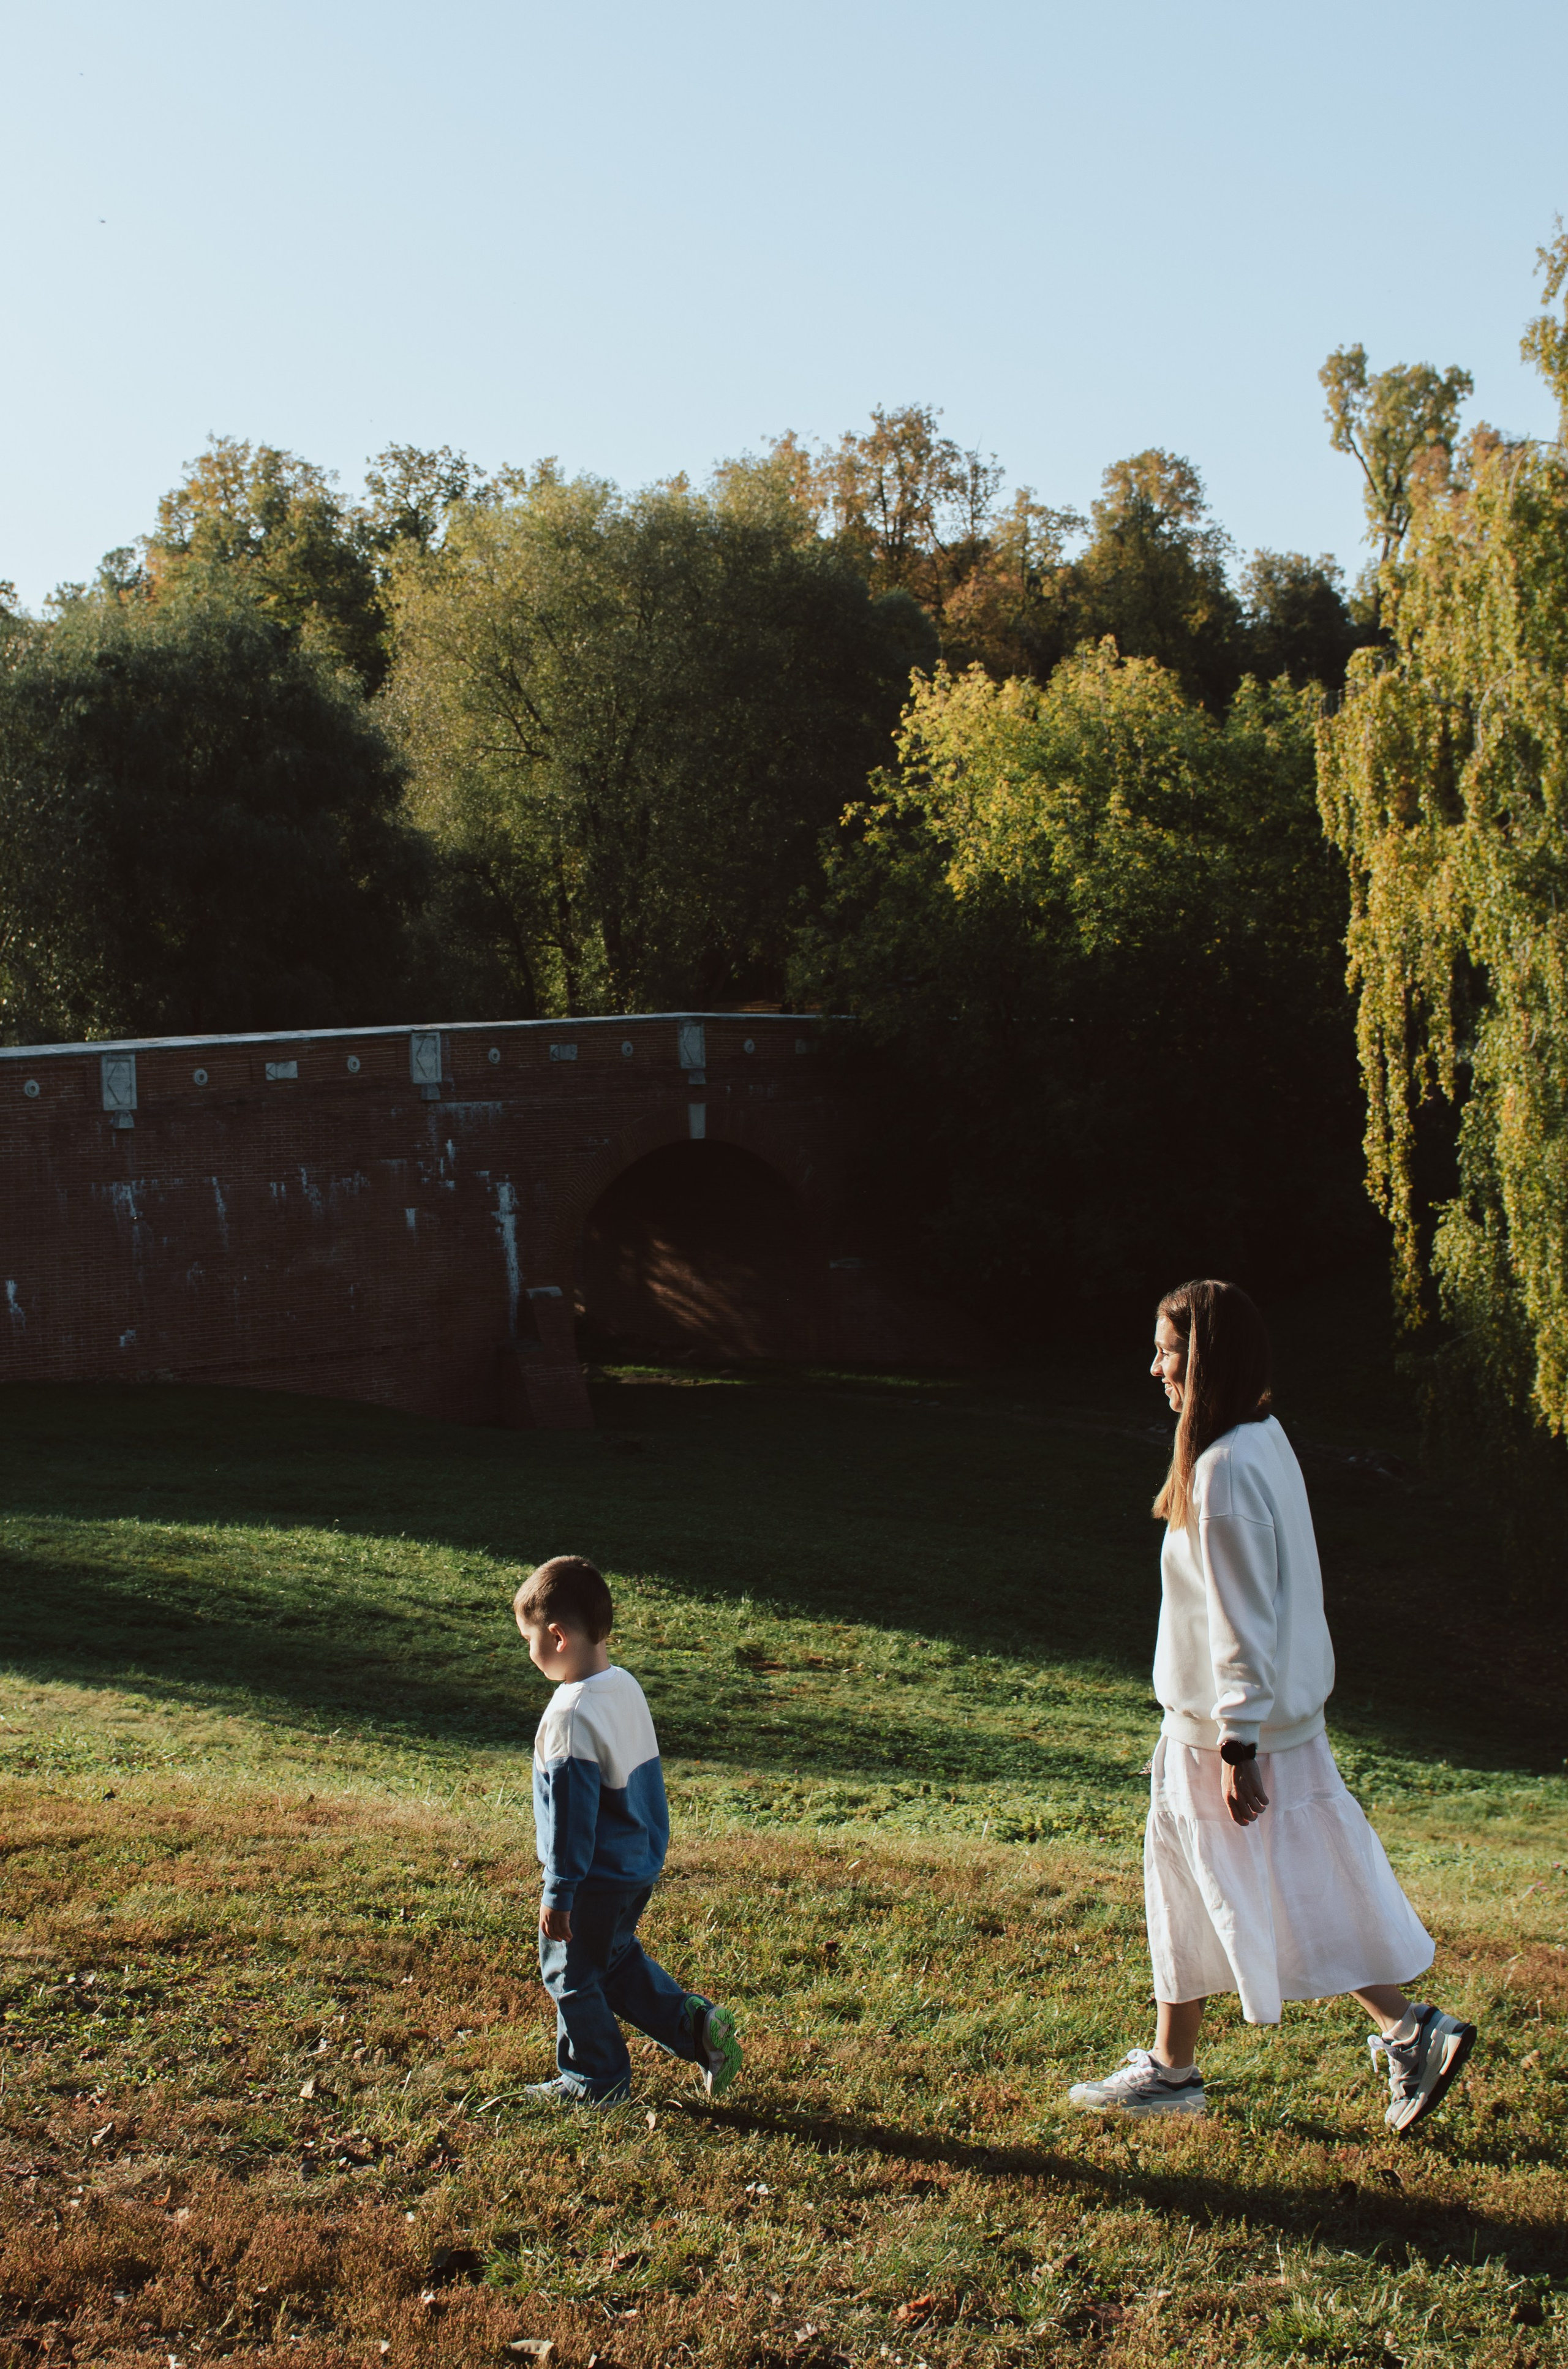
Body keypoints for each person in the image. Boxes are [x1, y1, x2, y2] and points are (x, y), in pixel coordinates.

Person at [1068, 1279, 1476, 2135]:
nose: (1155, 1368)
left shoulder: (1223, 1471)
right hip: (1251, 1725)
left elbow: (1244, 1616)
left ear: (1204, 1358)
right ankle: (1192, 2064)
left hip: (1229, 1732)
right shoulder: (1260, 1440)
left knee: (1220, 1879)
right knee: (1247, 1879)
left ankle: (1400, 2031)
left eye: (1169, 1353)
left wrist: (1237, 1744)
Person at [514, 1554, 742, 2107]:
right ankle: (695, 2026)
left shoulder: (570, 1715)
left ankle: (596, 2081)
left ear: (558, 1635)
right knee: (609, 1961)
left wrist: (559, 1890)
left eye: (529, 1640)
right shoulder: (624, 1687)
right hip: (635, 1865)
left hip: (591, 1875)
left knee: (568, 1973)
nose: (529, 1653)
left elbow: (573, 1819)